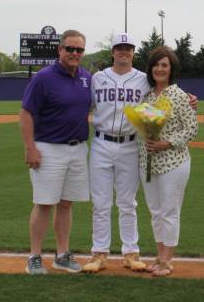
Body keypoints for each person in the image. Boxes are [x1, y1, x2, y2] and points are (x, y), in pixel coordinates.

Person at [20, 29, 91, 275]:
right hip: (48, 148)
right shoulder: (43, 77)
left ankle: (62, 254)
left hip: (78, 148)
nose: (74, 53)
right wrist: (30, 148)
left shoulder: (86, 77)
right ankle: (35, 256)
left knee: (66, 204)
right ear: (60, 50)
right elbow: (27, 113)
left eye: (79, 49)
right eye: (69, 48)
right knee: (43, 203)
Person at [82, 33, 150, 274]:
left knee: (127, 202)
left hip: (130, 145)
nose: (123, 52)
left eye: (128, 48)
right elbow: (84, 105)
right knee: (100, 202)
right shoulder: (97, 78)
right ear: (112, 52)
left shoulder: (144, 79)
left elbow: (162, 98)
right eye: (119, 48)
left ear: (133, 52)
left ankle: (131, 252)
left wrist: (190, 100)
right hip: (101, 143)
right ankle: (99, 253)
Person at [139, 46, 197, 277]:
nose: (160, 69)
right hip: (148, 162)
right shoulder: (147, 96)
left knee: (169, 211)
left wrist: (167, 143)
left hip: (173, 162)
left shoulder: (180, 96)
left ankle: (167, 260)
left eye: (164, 65)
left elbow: (191, 129)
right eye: (156, 64)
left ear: (171, 69)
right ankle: (160, 254)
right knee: (155, 211)